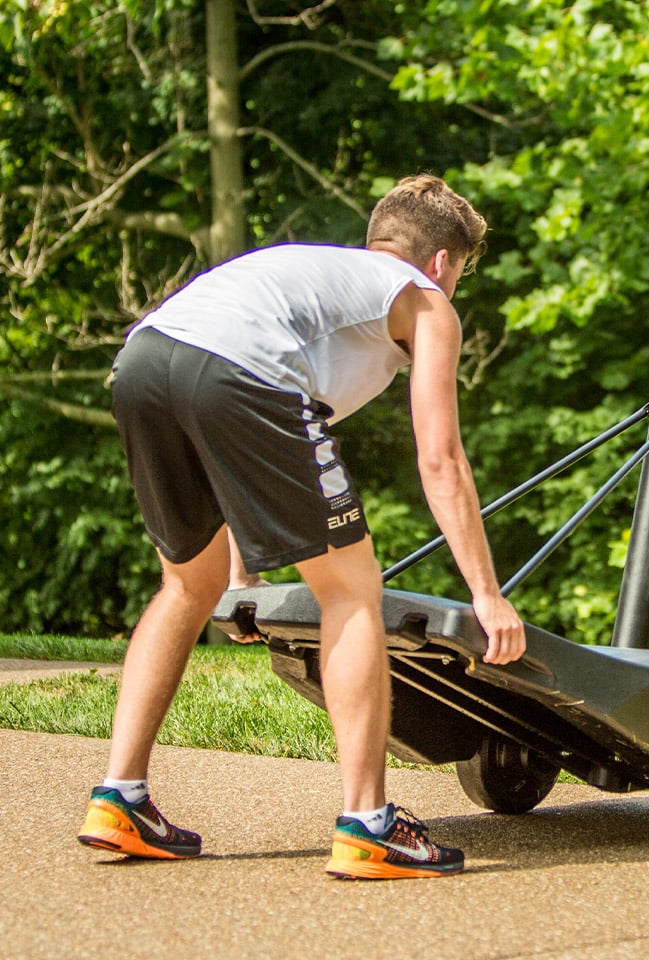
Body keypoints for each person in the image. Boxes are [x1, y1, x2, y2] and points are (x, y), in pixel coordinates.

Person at [78, 174, 526, 878]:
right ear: (441, 261)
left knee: (184, 587)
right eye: (460, 273)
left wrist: (241, 576)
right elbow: (440, 459)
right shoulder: (425, 299)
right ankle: (370, 826)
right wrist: (487, 594)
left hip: (144, 360)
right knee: (351, 591)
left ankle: (120, 799)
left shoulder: (312, 275)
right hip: (238, 372)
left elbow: (227, 427)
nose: (453, 287)